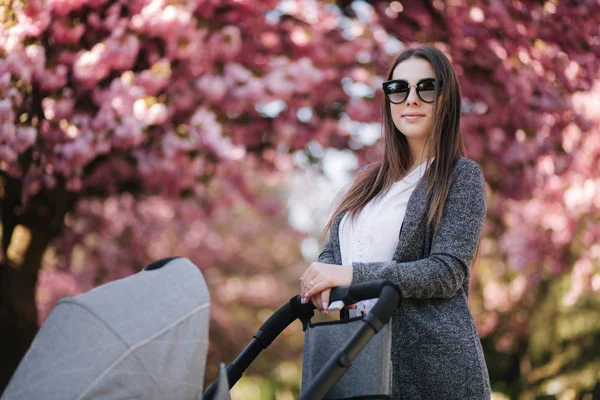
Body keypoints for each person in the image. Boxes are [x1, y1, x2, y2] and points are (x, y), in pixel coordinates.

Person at [300, 45, 491, 399]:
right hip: (361, 356)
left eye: (427, 88)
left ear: (446, 99)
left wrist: (353, 275)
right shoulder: (368, 181)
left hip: (431, 366)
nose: (412, 100)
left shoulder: (460, 176)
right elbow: (334, 254)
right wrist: (321, 276)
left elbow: (446, 272)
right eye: (399, 89)